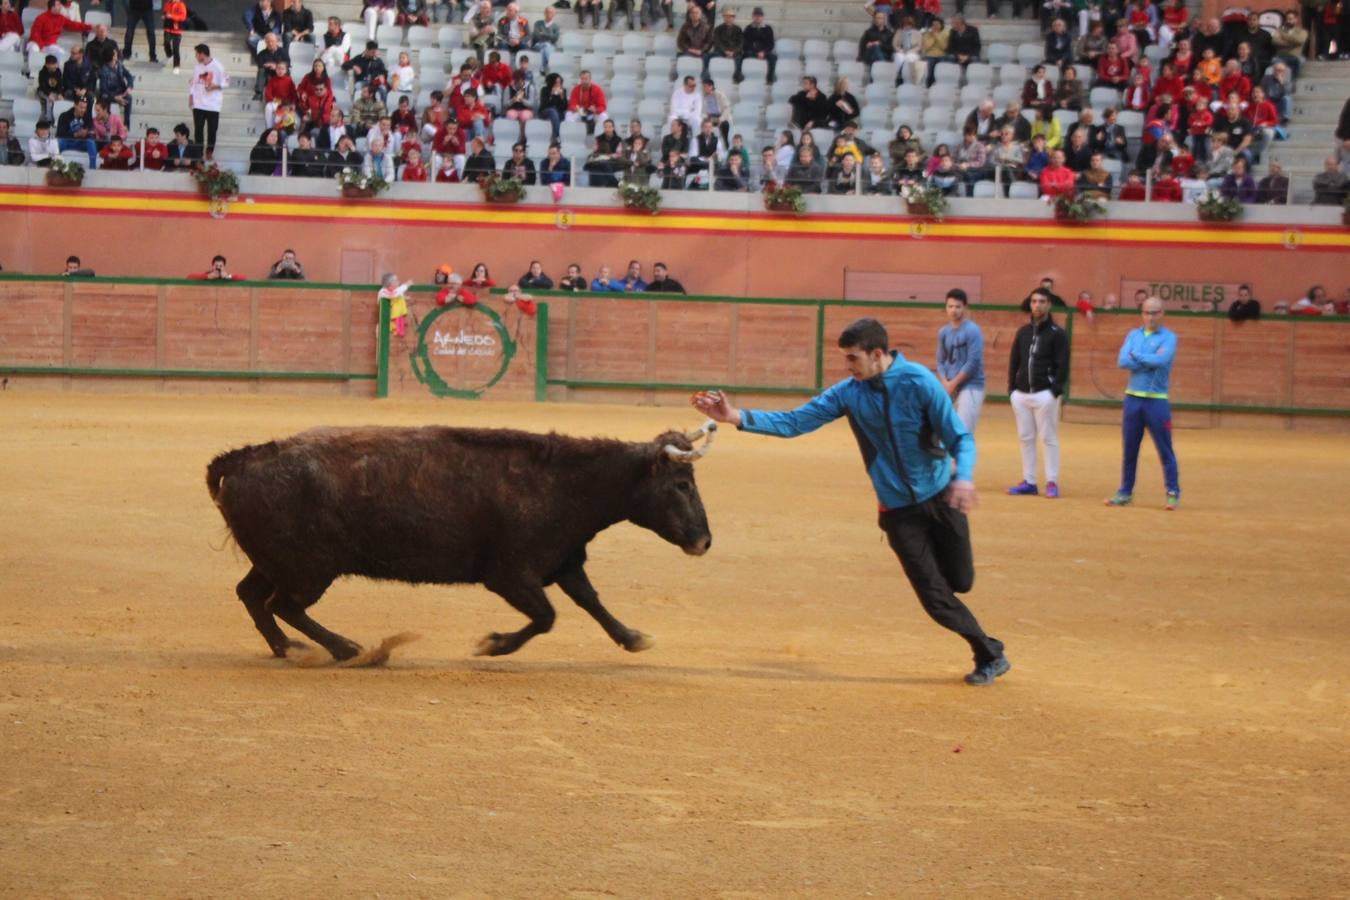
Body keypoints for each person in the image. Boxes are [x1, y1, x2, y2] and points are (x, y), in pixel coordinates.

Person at [690, 318, 1010, 686]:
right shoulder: (848, 393)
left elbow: (960, 438)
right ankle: (988, 653)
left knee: (961, 581)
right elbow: (796, 422)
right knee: (935, 597)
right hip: (898, 511)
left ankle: (982, 639)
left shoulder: (920, 383)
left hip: (942, 495)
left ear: (877, 354)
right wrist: (736, 417)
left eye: (853, 359)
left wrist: (965, 476)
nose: (848, 367)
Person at [1105, 296, 1180, 510]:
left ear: (1162, 314)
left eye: (1155, 313)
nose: (1151, 317)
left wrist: (1136, 356)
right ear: (1142, 314)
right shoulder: (1133, 334)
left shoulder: (1169, 337)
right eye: (1147, 312)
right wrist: (1148, 358)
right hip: (1133, 399)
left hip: (1157, 401)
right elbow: (1122, 361)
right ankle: (1125, 492)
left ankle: (1173, 491)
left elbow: (1162, 361)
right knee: (1129, 449)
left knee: (1165, 449)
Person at [1007, 289, 1068, 498]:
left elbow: (1063, 365)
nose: (1037, 305)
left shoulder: (1057, 334)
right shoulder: (1022, 332)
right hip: (1021, 394)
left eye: (1042, 301)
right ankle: (1029, 481)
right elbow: (1014, 361)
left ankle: (1052, 481)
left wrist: (1054, 391)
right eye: (1034, 301)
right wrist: (1011, 390)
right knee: (1025, 437)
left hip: (1045, 394)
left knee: (1048, 438)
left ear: (1049, 304)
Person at [936, 289, 984, 434]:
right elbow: (940, 360)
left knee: (963, 432)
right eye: (950, 306)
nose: (953, 310)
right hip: (949, 386)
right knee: (946, 431)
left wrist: (953, 383)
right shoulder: (943, 332)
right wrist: (945, 381)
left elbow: (973, 362)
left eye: (958, 306)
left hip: (970, 386)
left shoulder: (972, 330)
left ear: (965, 308)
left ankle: (964, 457)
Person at [190, 44, 228, 157]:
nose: (196, 56)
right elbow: (193, 82)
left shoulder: (218, 66)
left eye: (197, 53)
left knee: (212, 130)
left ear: (202, 54)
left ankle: (209, 151)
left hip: (213, 104)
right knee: (198, 130)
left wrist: (214, 87)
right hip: (199, 103)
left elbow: (227, 82)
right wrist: (191, 96)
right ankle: (198, 153)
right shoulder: (197, 67)